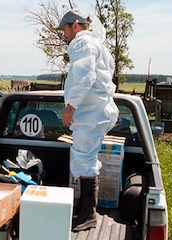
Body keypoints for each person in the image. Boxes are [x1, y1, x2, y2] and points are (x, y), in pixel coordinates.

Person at [56, 8, 119, 231]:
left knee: (84, 158)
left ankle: (88, 214)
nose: (63, 35)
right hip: (96, 110)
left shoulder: (82, 42)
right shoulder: (98, 44)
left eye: (64, 29)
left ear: (75, 25)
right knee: (86, 158)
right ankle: (86, 210)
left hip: (90, 112)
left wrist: (71, 105)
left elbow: (84, 75)